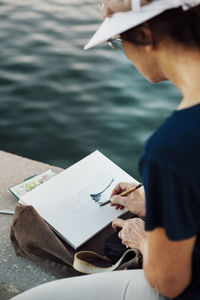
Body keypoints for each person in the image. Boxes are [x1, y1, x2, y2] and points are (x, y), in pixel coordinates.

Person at [12, 0, 200, 299]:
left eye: (117, 40)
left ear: (148, 35)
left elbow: (169, 282)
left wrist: (142, 239)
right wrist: (157, 204)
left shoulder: (172, 145)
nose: (122, 51)